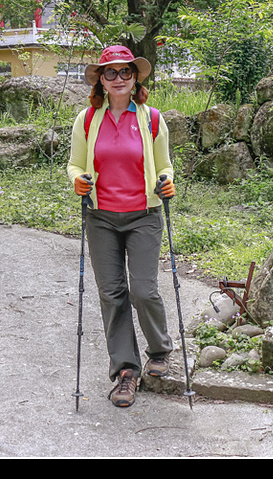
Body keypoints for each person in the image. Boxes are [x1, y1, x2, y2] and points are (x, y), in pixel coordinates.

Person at [67, 44, 177, 408]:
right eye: (110, 72)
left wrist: (166, 180)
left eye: (125, 71)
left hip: (144, 215)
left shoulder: (152, 119)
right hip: (101, 218)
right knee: (112, 294)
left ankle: (159, 350)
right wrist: (77, 179)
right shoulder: (87, 120)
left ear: (135, 78)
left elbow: (164, 164)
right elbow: (75, 164)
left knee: (143, 290)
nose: (118, 78)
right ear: (101, 79)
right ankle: (126, 371)